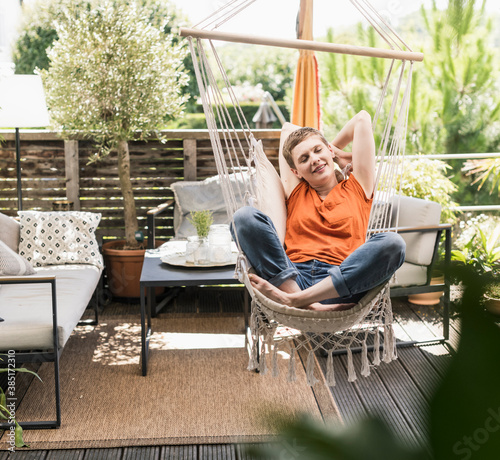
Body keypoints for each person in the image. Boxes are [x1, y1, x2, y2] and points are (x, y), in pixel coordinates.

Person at [231, 110, 405, 311]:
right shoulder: (296, 190)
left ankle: (297, 301)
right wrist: (329, 151)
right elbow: (288, 129)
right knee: (243, 217)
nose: (313, 159)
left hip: (340, 285)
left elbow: (362, 118)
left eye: (318, 150)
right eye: (304, 159)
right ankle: (300, 299)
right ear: (296, 172)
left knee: (393, 243)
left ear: (329, 150)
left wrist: (336, 152)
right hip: (293, 278)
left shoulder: (359, 186)